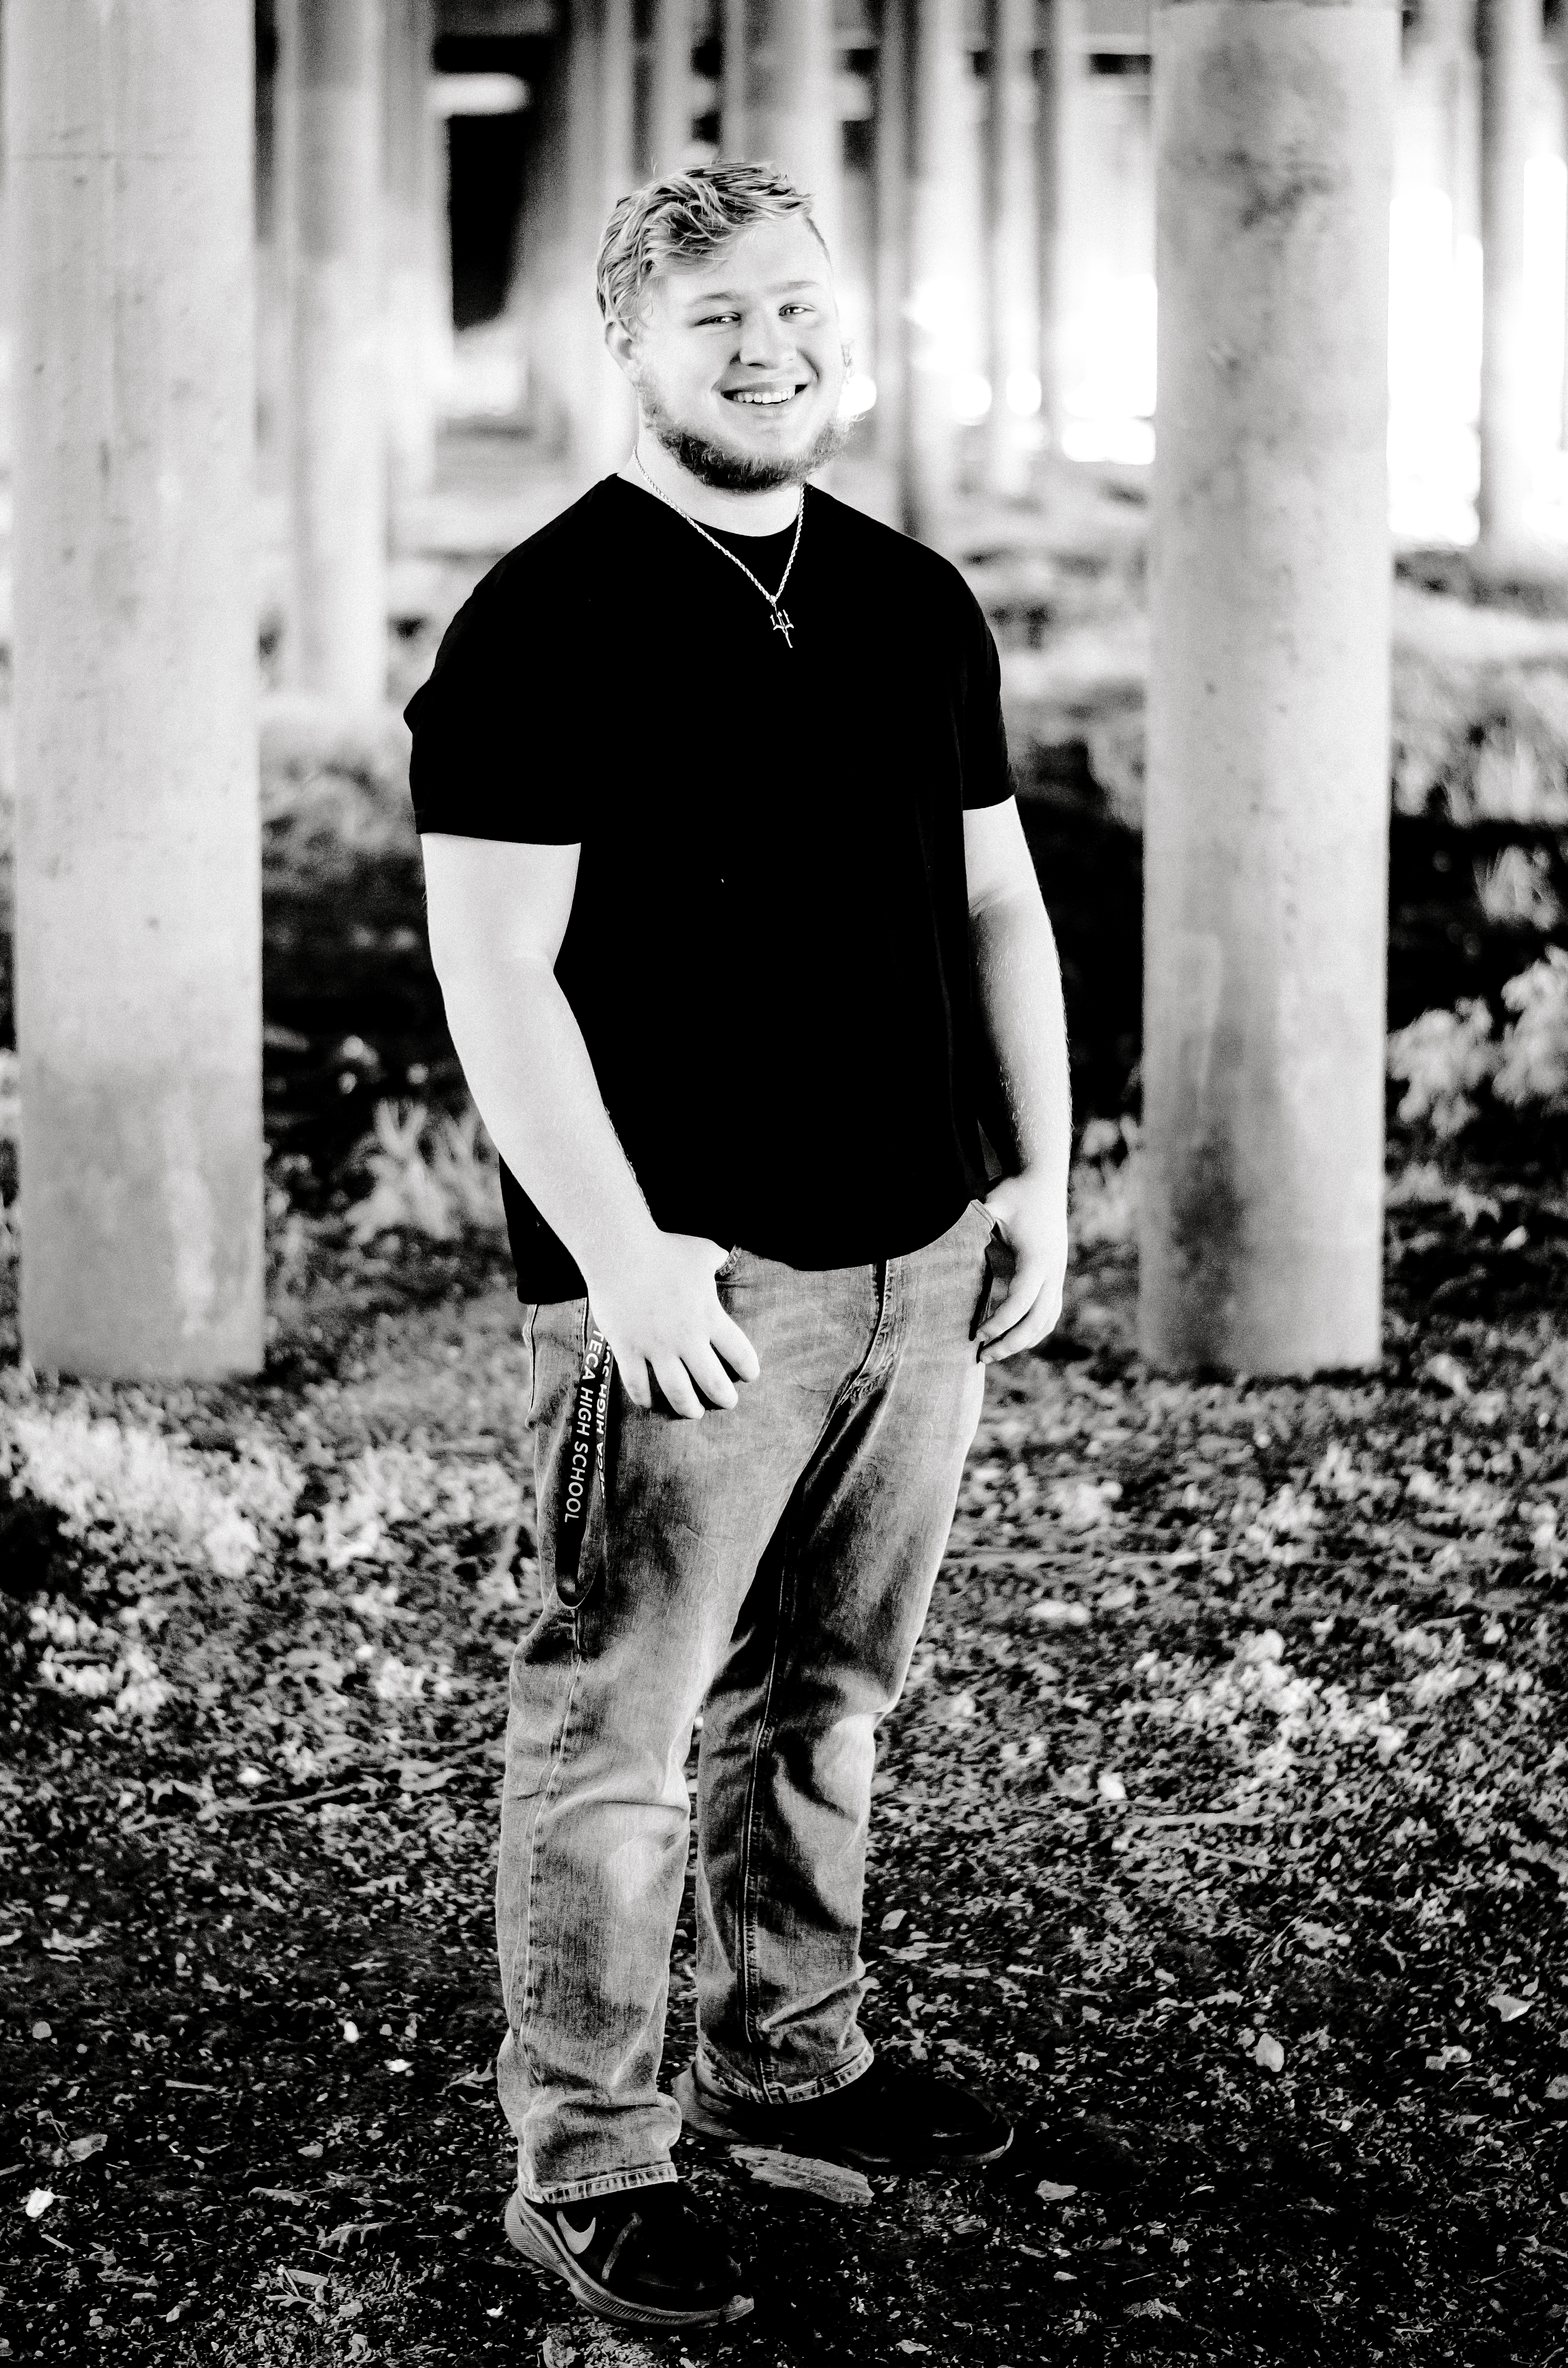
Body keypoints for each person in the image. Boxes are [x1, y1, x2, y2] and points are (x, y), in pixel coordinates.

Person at [407, 162, 1071, 2334]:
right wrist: (622, 1253)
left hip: (915, 1255)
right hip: (689, 1286)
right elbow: (499, 976)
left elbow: (989, 899)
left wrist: (1033, 1176)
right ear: (632, 342)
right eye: (719, 319)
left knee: (835, 1698)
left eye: (798, 307)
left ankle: (797, 2052)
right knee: (620, 1725)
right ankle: (585, 2162)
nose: (772, 347)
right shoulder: (542, 620)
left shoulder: (908, 597)